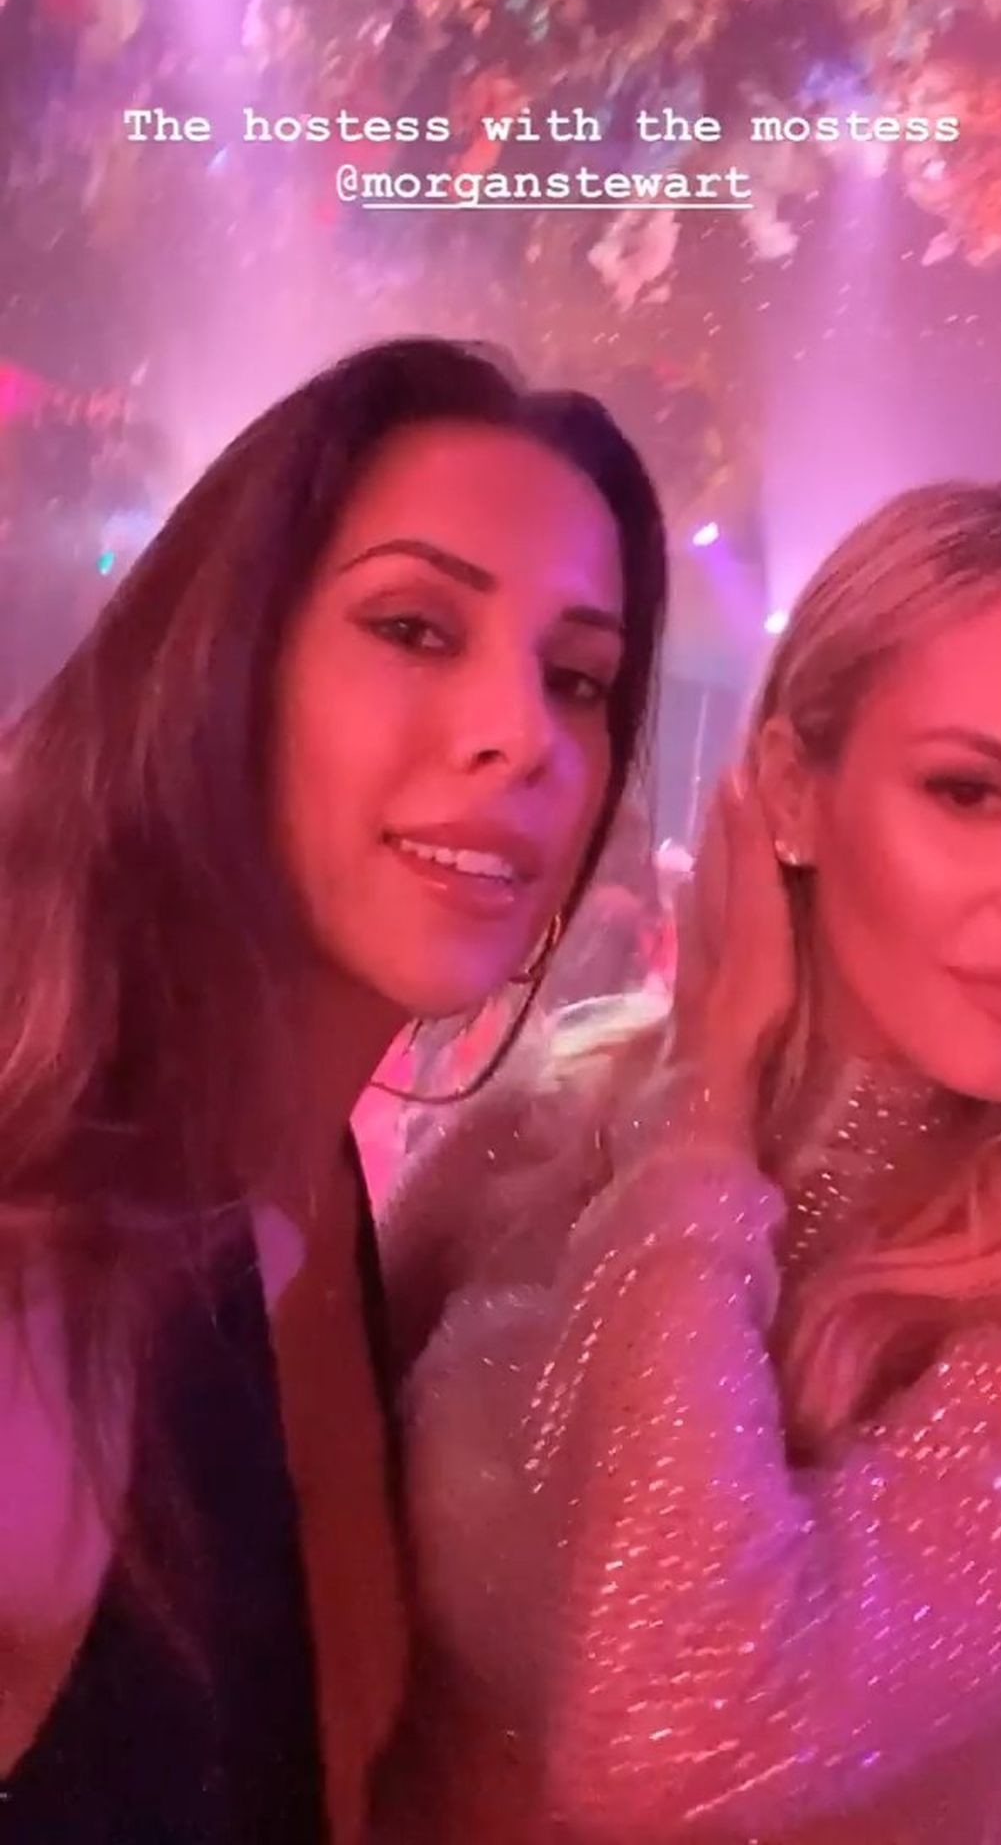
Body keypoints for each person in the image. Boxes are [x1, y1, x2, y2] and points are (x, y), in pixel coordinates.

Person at [0, 335, 668, 1844]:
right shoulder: (52, 1245)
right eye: (416, 628)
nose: (524, 736)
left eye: (576, 679)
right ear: (224, 665)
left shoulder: (308, 1185)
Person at [380, 478, 1001, 1844]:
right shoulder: (547, 1121)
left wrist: (705, 1109)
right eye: (973, 791)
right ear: (789, 794)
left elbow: (671, 1740)